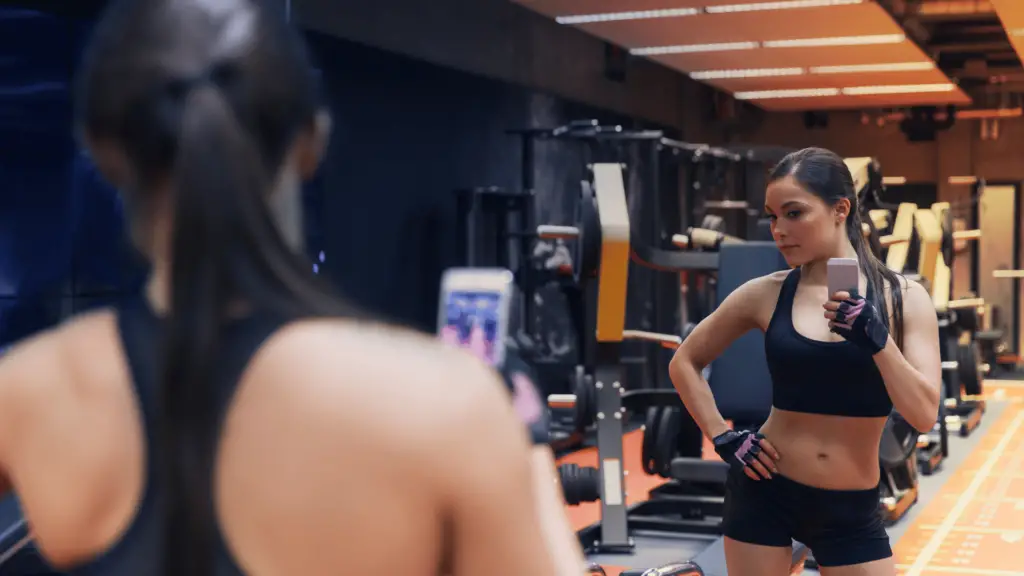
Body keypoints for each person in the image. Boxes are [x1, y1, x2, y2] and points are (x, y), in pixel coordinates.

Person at [0, 0, 584, 574]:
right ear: (311, 143)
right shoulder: (448, 404)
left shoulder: (27, 392)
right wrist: (525, 441)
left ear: (102, 152)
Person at [669, 147, 941, 576]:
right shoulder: (768, 292)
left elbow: (924, 414)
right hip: (765, 492)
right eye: (773, 216)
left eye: (794, 213)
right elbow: (685, 361)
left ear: (840, 209)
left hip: (850, 510)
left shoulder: (903, 299)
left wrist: (878, 342)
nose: (779, 229)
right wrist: (721, 436)